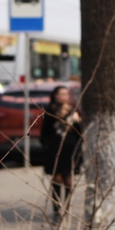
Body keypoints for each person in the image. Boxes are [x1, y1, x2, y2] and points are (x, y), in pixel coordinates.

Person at [41, 86, 83, 222]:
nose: (64, 96)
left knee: (69, 180)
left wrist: (77, 122)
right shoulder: (50, 111)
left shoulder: (73, 110)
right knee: (57, 180)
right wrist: (47, 146)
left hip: (70, 150)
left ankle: (67, 210)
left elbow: (80, 133)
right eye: (61, 94)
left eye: (66, 93)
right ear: (55, 95)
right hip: (54, 150)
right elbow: (44, 133)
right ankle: (57, 211)